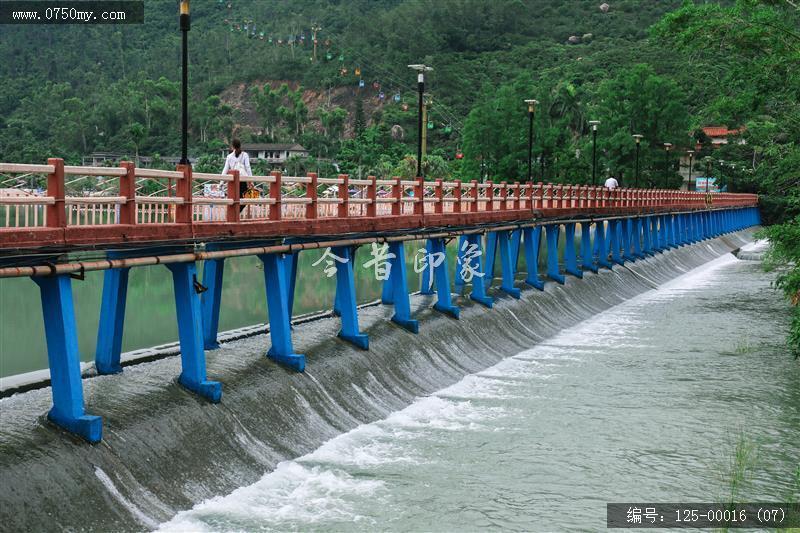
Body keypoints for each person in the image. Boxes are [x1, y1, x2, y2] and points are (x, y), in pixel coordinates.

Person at [221, 138, 252, 212]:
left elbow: (225, 169)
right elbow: (248, 168)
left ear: (232, 147)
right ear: (240, 146)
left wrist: (221, 181)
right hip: (242, 180)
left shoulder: (229, 157)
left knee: (233, 199)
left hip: (232, 182)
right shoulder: (245, 155)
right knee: (245, 198)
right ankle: (237, 212)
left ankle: (233, 213)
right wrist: (251, 180)